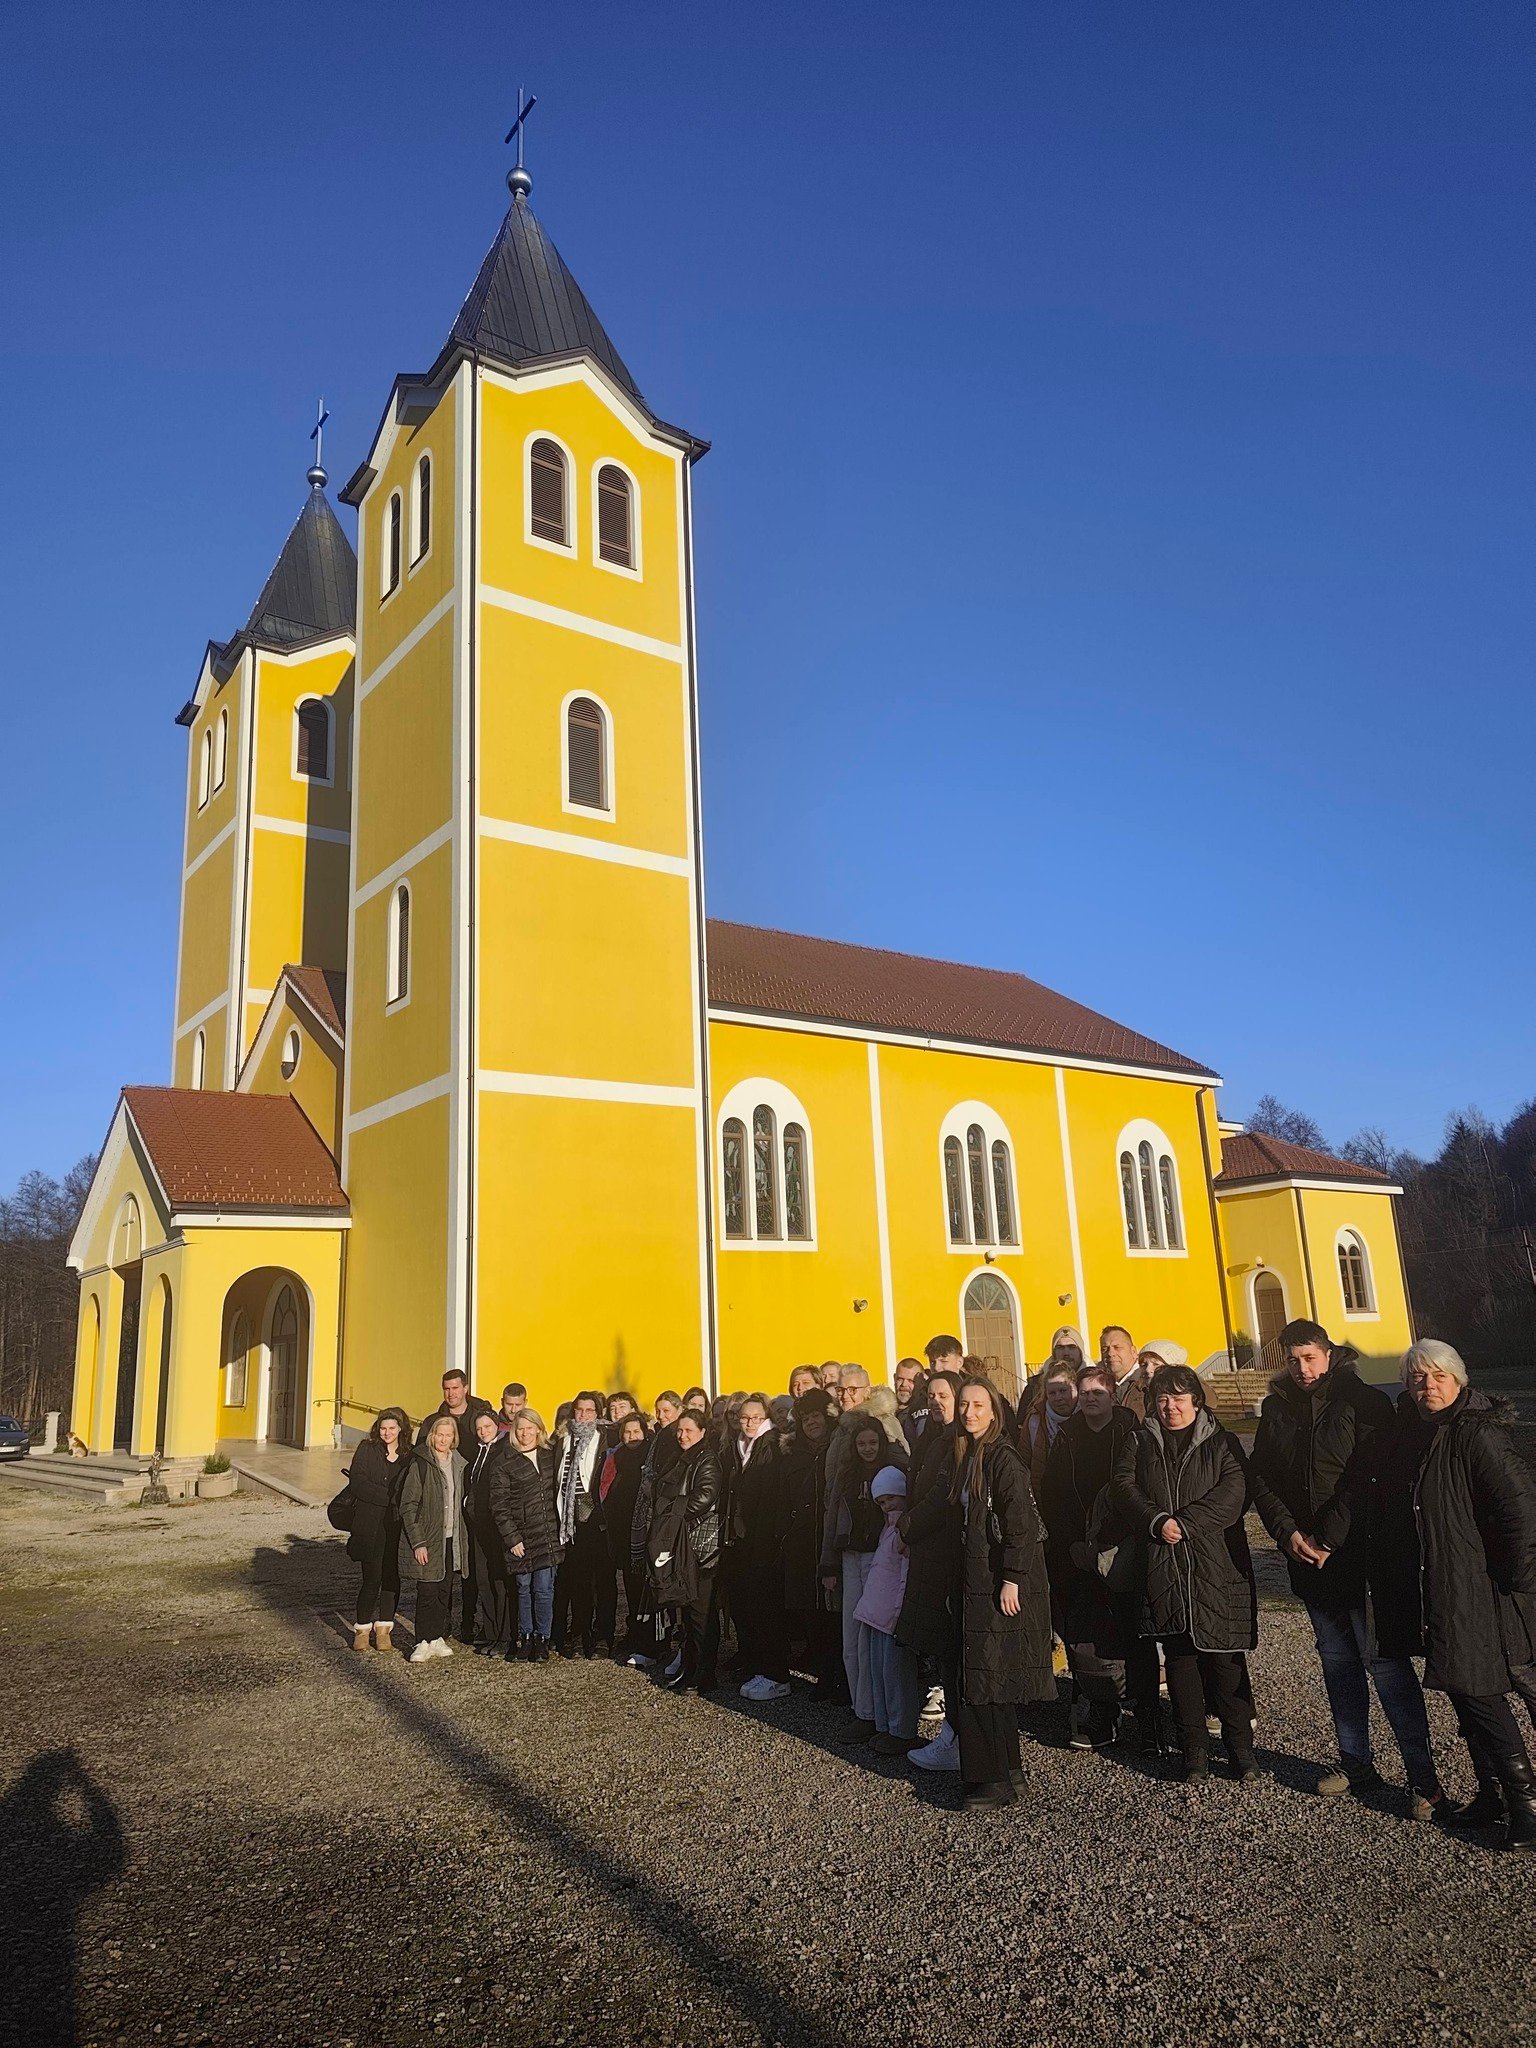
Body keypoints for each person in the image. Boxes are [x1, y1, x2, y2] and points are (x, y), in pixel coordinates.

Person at [1249, 1317, 1441, 1814]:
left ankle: (1423, 1780)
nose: (1302, 1368)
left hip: (1363, 1556)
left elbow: (1369, 1477)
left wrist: (1329, 1536)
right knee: (1337, 1663)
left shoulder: (1364, 1402)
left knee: (1387, 1667)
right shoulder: (1277, 1408)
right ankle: (1356, 1763)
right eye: (1293, 1360)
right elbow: (1262, 1477)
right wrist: (1287, 1533)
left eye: (1310, 1358)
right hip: (1309, 1560)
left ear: (1329, 1354)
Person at [1404, 1339, 1536, 1851]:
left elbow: (1519, 1508)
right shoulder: (1426, 1432)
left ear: (1458, 1379)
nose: (1428, 1385)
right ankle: (1491, 1793)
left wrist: (1517, 1579)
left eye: (1438, 1376)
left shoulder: (1477, 1433)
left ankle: (1525, 1804)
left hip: (1483, 1586)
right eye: (1419, 1377)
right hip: (1444, 1579)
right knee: (1462, 1688)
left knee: (1480, 1692)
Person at [904, 1377, 1052, 1807]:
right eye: (964, 1405)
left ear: (994, 1412)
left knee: (982, 1678)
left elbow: (1021, 1523)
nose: (969, 1413)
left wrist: (1013, 1577)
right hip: (969, 1577)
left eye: (978, 1406)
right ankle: (1008, 1771)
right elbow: (940, 1500)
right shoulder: (964, 1453)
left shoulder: (1003, 1458)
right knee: (984, 1676)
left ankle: (990, 1780)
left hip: (992, 1580)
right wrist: (906, 1526)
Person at [1112, 1363, 1259, 1783]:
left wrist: (1187, 1523)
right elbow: (1123, 1486)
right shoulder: (1139, 1441)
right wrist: (1156, 1520)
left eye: (1178, 1398)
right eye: (1162, 1399)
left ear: (1196, 1400)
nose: (1170, 1407)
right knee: (1180, 1661)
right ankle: (1193, 1750)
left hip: (1216, 1563)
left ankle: (1240, 1749)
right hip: (1164, 1563)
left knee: (1225, 1659)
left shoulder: (1222, 1442)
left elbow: (1235, 1493)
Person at [1039, 1363, 1156, 1751]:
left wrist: (1109, 1539)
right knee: (1089, 1635)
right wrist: (1073, 1543)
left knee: (1135, 1631)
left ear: (1112, 1395)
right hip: (1079, 1550)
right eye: (1085, 1392)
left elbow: (1139, 1488)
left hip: (1124, 1545)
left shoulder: (1130, 1432)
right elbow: (1054, 1494)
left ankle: (1148, 1716)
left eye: (1098, 1392)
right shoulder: (1068, 1436)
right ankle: (1102, 1711)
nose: (1091, 1398)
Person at [901, 1371, 964, 1772]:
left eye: (945, 1395)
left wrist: (909, 1524)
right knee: (943, 1647)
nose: (937, 1401)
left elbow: (942, 1495)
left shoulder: (958, 1441)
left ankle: (956, 1738)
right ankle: (953, 1735)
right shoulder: (934, 1438)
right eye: (932, 1395)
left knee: (953, 1650)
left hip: (947, 1552)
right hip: (931, 1551)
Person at [649, 1408, 722, 1694]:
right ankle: (690, 1667)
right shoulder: (680, 1457)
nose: (682, 1435)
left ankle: (705, 1673)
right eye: (680, 1430)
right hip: (681, 1543)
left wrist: (670, 1511)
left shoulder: (707, 1459)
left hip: (699, 1546)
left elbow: (705, 1496)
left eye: (689, 1430)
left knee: (701, 1614)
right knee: (688, 1613)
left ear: (702, 1432)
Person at [852, 1465, 923, 1753]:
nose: (886, 1505)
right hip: (878, 1611)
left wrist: (901, 1610)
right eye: (881, 1502)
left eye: (891, 1498)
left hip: (890, 1612)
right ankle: (886, 1727)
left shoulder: (904, 1530)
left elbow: (905, 1574)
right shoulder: (889, 1528)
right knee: (880, 1674)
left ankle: (901, 1730)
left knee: (895, 1676)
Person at [724, 1394, 791, 1702]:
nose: (749, 1423)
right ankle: (759, 1667)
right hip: (744, 1540)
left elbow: (771, 1497)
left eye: (755, 1417)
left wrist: (765, 1539)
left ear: (765, 1418)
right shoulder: (739, 1446)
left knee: (767, 1610)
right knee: (751, 1608)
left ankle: (776, 1675)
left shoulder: (771, 1444)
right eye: (744, 1418)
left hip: (764, 1539)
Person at [489, 1408, 561, 1661]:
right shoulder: (503, 1461)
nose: (525, 1433)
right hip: (519, 1536)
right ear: (513, 1431)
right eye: (520, 1428)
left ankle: (543, 1638)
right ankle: (526, 1636)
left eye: (530, 1428)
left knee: (544, 1589)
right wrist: (512, 1538)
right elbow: (499, 1504)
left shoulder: (550, 1456)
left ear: (539, 1429)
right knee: (522, 1587)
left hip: (547, 1533)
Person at [782, 1390, 841, 1698]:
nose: (811, 1423)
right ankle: (822, 1673)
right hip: (802, 1540)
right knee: (810, 1611)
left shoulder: (839, 1448)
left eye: (816, 1416)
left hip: (830, 1538)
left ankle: (838, 1676)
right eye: (805, 1419)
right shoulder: (793, 1453)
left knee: (833, 1611)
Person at [401, 1414, 469, 1663]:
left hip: (451, 1538)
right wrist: (418, 1542)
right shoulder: (421, 1463)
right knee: (427, 1590)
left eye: (448, 1435)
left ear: (454, 1438)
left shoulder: (459, 1463)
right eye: (440, 1434)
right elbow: (408, 1505)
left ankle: (437, 1637)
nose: (443, 1439)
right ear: (432, 1436)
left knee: (444, 1589)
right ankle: (422, 1640)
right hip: (429, 1537)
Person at [346, 1406, 411, 1654]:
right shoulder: (367, 1449)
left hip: (396, 1525)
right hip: (371, 1524)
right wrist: (387, 1498)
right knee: (371, 1578)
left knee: (392, 1578)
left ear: (400, 1429)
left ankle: (384, 1629)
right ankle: (362, 1629)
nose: (387, 1432)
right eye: (383, 1428)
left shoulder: (407, 1454)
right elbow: (358, 1482)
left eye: (392, 1428)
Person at [553, 1392, 608, 1656]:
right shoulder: (563, 1441)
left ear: (597, 1414)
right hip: (568, 1518)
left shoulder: (604, 1440)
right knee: (576, 1580)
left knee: (601, 1582)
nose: (583, 1415)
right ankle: (578, 1633)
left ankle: (602, 1635)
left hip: (594, 1517)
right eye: (579, 1410)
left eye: (589, 1410)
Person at [602, 1413, 652, 1660]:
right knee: (631, 1586)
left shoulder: (650, 1456)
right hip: (622, 1531)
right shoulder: (616, 1457)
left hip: (644, 1532)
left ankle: (649, 1639)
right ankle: (635, 1631)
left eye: (636, 1431)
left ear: (644, 1432)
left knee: (646, 1589)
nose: (632, 1437)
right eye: (627, 1432)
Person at [463, 1410, 511, 1656]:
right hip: (478, 1525)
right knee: (483, 1580)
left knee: (500, 1580)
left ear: (496, 1426)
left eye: (487, 1426)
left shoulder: (504, 1450)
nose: (483, 1431)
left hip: (496, 1525)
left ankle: (506, 1635)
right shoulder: (478, 1452)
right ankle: (491, 1632)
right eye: (479, 1428)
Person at [1021, 1358, 1078, 1496]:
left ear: (1075, 1388)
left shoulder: (1089, 1416)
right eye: (1052, 1393)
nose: (1058, 1397)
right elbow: (1023, 1462)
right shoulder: (1035, 1421)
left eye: (1063, 1391)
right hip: (1045, 1495)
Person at [417, 1368, 497, 1458]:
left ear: (465, 1388)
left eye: (455, 1388)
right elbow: (420, 1453)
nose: (450, 1393)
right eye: (447, 1389)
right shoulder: (432, 1421)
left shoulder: (483, 1418)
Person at [1100, 1327, 1147, 1418]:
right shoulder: (1099, 1386)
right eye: (1104, 1349)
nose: (1110, 1353)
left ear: (1133, 1352)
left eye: (1117, 1347)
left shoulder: (1147, 1383)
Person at [893, 1357, 929, 1453]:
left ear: (921, 1382)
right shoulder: (881, 1409)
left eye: (911, 1381)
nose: (904, 1384)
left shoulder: (925, 1414)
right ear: (894, 1378)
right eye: (900, 1379)